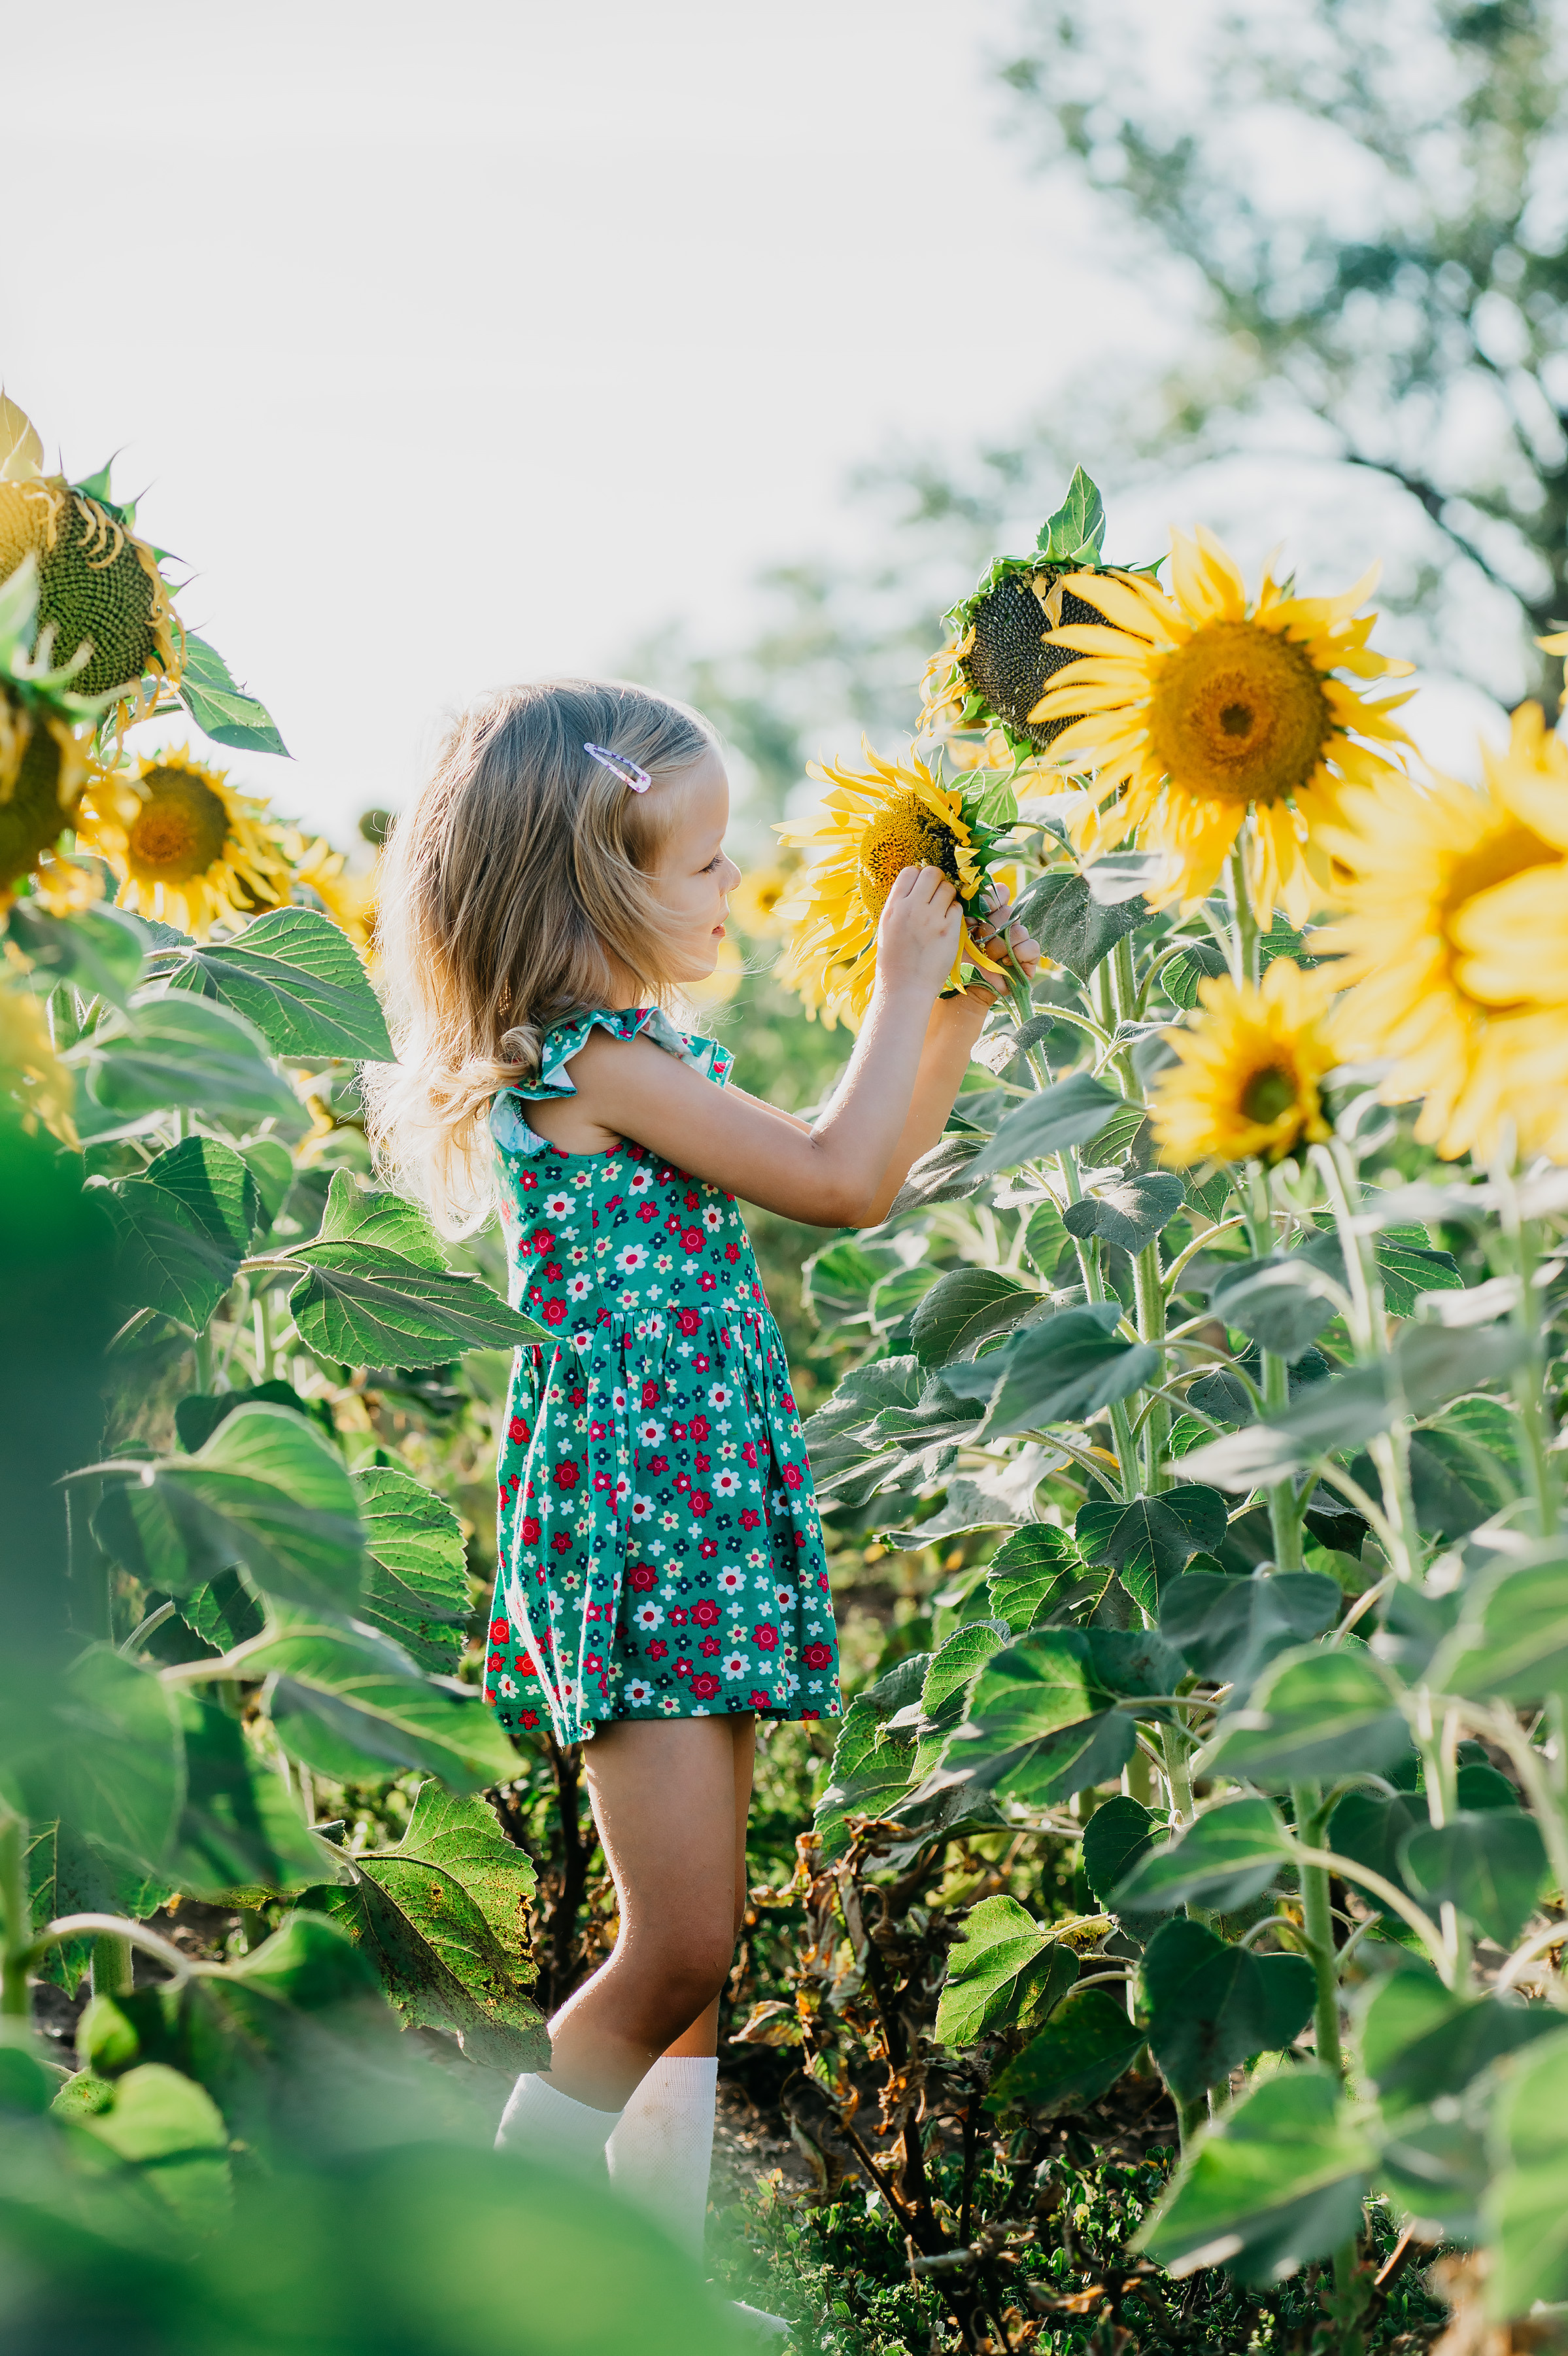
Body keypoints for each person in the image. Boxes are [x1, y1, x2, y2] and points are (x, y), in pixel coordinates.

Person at [367, 679, 1040, 2328]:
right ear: (585, 886)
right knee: (672, 1945)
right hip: (640, 1537)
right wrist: (900, 982)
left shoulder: (640, 1053)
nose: (729, 893)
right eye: (700, 866)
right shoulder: (588, 1062)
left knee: (698, 1955)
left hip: (694, 1519)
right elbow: (836, 1175)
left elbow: (858, 1162)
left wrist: (950, 991)